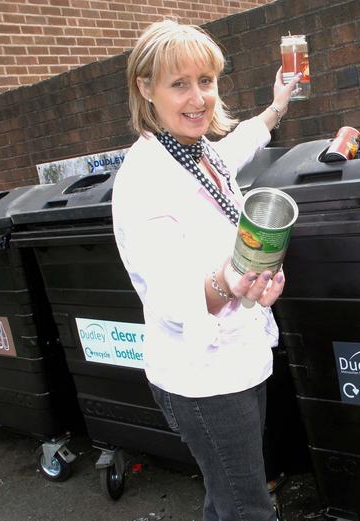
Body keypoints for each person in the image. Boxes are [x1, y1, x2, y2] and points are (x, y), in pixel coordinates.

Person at [112, 19, 301, 521]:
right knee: (248, 509)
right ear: (146, 88)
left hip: (241, 360)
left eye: (206, 81)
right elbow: (173, 301)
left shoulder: (197, 152)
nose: (199, 98)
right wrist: (232, 282)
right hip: (205, 380)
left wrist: (277, 105)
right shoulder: (146, 180)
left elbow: (240, 143)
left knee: (228, 498)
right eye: (179, 84)